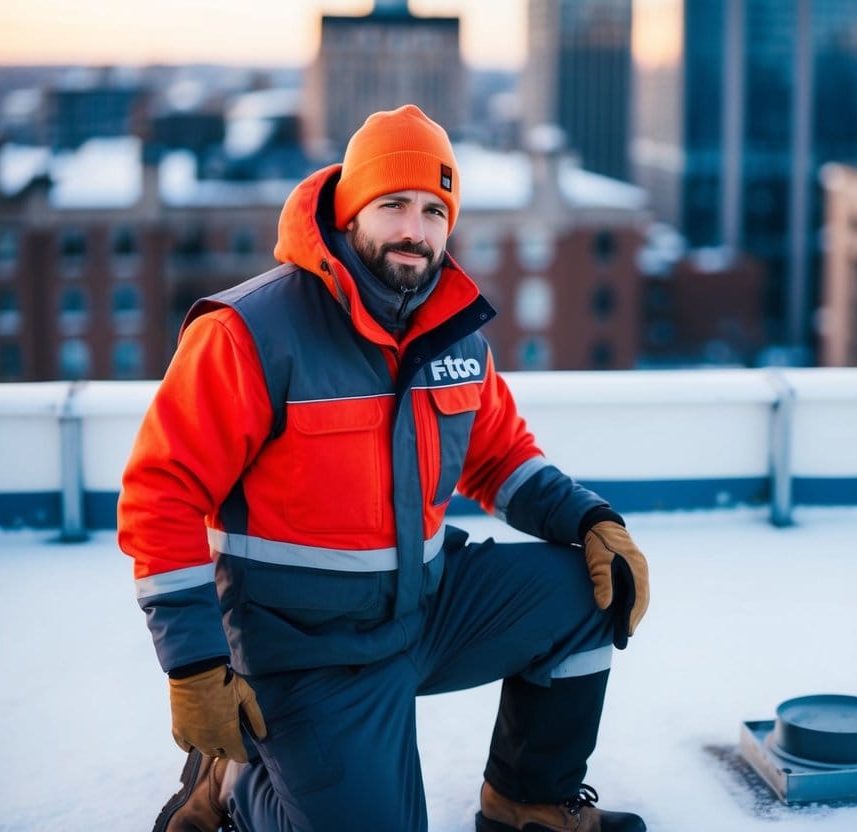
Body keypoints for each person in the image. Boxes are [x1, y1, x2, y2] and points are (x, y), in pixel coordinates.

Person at [118, 104, 651, 832]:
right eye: (392, 204)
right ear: (348, 212)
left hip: (423, 611)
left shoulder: (450, 331)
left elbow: (498, 457)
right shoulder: (249, 332)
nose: (415, 229)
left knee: (589, 590)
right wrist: (193, 662)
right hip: (304, 649)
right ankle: (238, 785)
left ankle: (526, 800)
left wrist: (589, 518)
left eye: (435, 210)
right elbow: (161, 493)